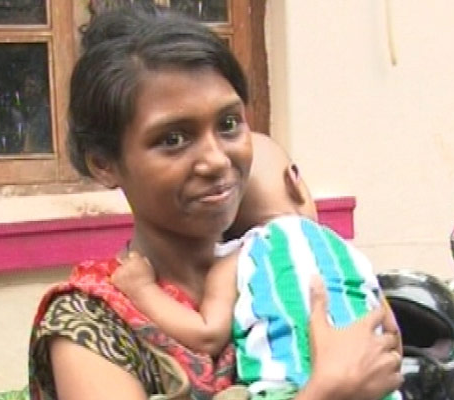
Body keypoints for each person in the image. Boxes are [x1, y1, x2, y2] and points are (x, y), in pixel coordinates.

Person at [28, 4, 403, 400]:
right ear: (104, 164)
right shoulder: (91, 323)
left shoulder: (296, 270)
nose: (217, 160)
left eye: (228, 124)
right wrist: (327, 392)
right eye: (173, 139)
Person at [111, 133, 402, 400]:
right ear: (294, 181)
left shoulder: (239, 259)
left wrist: (142, 289)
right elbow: (391, 335)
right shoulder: (348, 253)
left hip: (283, 390)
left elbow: (207, 335)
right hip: (374, 388)